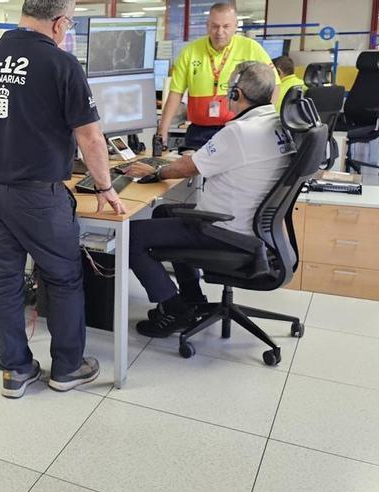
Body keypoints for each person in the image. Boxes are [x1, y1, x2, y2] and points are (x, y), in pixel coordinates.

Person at [0, 0, 126, 399]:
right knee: (63, 278)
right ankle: (67, 368)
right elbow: (91, 138)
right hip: (38, 194)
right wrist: (104, 187)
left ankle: (15, 371)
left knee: (5, 280)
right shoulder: (62, 65)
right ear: (59, 22)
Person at [125, 61, 295, 338]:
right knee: (165, 212)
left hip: (223, 229)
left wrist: (155, 172)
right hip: (253, 229)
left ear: (236, 94)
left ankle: (174, 308)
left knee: (130, 236)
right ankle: (192, 299)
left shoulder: (239, 132)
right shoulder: (277, 124)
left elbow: (189, 167)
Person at [159, 2, 276, 150]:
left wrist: (264, 125)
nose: (220, 32)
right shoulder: (190, 51)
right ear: (207, 25)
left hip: (237, 130)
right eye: (215, 26)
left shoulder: (251, 48)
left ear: (235, 26)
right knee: (190, 170)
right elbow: (175, 93)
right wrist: (162, 131)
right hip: (198, 133)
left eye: (226, 26)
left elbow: (274, 86)